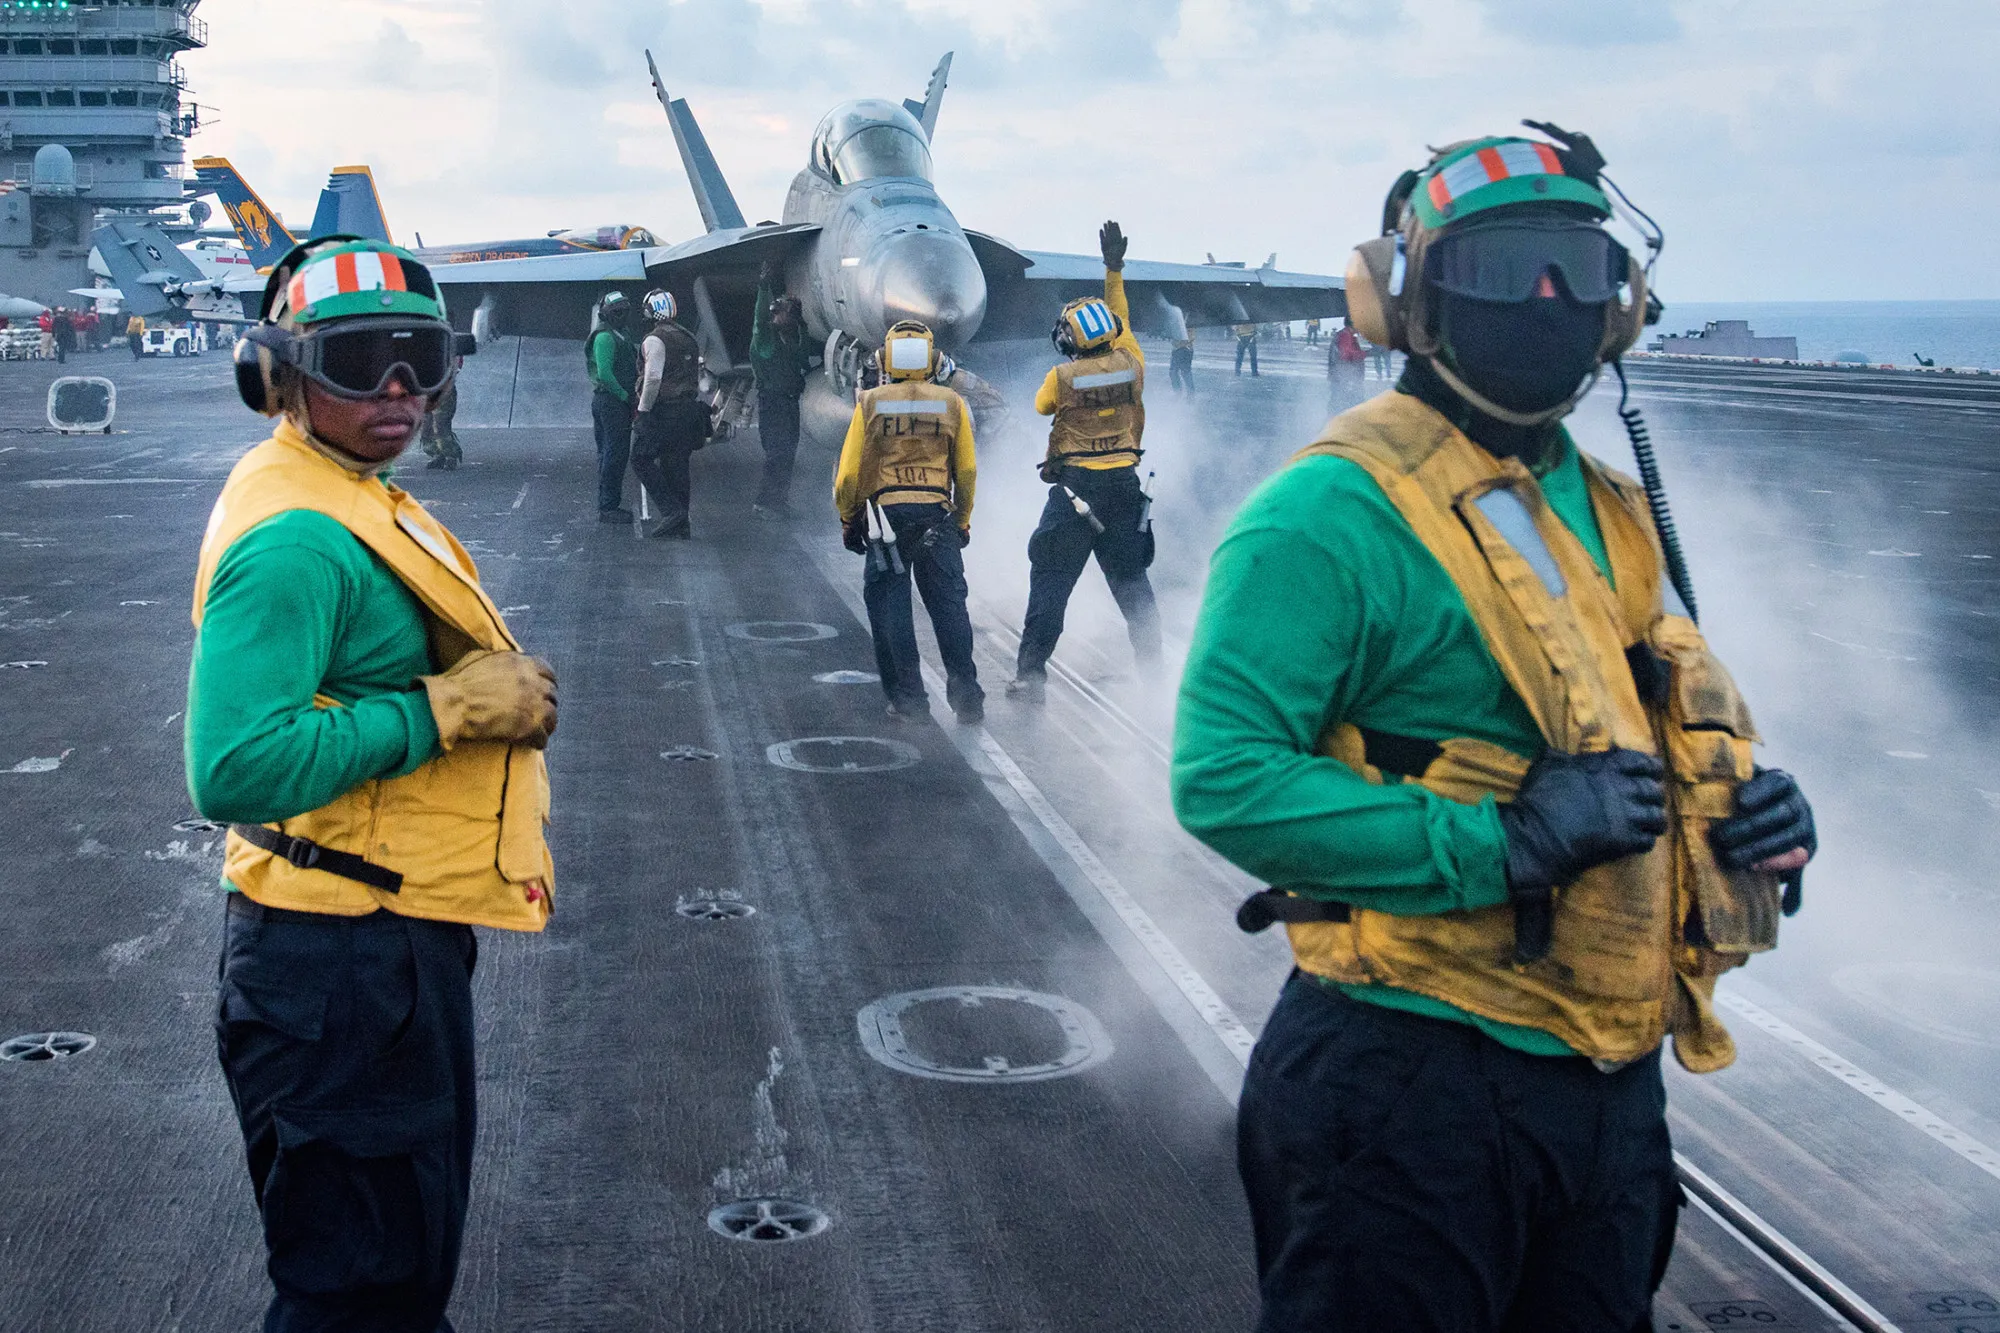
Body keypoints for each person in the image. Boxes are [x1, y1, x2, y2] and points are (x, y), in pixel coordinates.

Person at [1171, 126, 1819, 1331]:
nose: (1544, 301)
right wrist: (1499, 844)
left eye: (1576, 270)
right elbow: (1224, 780)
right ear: (1409, 300)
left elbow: (1657, 709)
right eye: (1500, 268)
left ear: (1621, 305)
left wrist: (1755, 820)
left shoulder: (1612, 507)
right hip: (1405, 1091)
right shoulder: (1322, 512)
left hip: (1606, 1094)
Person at [190, 236, 557, 1330]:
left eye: (422, 357)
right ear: (281, 375)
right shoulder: (298, 537)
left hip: (375, 944)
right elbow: (233, 763)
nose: (399, 391)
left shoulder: (347, 484)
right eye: (359, 363)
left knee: (396, 1275)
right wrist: (444, 710)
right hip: (335, 966)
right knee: (354, 1295)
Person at [1009, 220, 1161, 703]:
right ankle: (1155, 680)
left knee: (1052, 581)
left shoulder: (1062, 377)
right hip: (1124, 488)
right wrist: (1112, 270)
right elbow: (1123, 320)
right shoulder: (1132, 364)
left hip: (1075, 493)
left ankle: (1031, 675)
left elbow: (1039, 407)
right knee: (1133, 587)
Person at [833, 320, 983, 723]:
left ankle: (909, 700)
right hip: (938, 517)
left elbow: (849, 474)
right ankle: (967, 696)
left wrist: (849, 518)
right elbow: (966, 471)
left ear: (885, 358)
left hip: (886, 521)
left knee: (890, 610)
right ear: (933, 359)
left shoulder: (870, 402)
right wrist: (962, 521)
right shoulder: (952, 404)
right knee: (950, 608)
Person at [630, 287, 707, 540]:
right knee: (677, 465)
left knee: (640, 458)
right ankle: (681, 524)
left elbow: (652, 378)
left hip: (666, 411)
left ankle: (671, 511)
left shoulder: (655, 339)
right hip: (688, 411)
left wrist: (643, 411)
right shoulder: (688, 337)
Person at [749, 262, 815, 519]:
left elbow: (803, 348)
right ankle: (764, 503)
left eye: (783, 311)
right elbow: (759, 320)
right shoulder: (765, 340)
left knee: (788, 453)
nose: (778, 315)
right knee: (777, 453)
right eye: (777, 312)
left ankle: (779, 501)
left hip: (788, 403)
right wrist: (763, 286)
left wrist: (800, 320)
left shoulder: (794, 338)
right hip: (773, 404)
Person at [586, 290, 641, 521]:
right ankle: (608, 506)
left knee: (610, 453)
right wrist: (626, 396)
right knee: (615, 454)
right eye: (617, 312)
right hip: (611, 401)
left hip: (613, 401)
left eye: (625, 312)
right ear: (606, 314)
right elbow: (606, 375)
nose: (622, 316)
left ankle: (607, 502)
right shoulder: (605, 338)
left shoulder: (621, 334)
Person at [419, 366, 463, 470]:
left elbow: (457, 358)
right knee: (426, 426)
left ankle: (451, 456)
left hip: (443, 388)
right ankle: (437, 454)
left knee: (440, 425)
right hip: (425, 389)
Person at [1168, 326, 1196, 392]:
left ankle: (1190, 393)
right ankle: (1178, 392)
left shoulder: (1188, 322)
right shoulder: (1176, 322)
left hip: (1185, 349)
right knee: (1173, 372)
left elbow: (1191, 337)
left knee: (1185, 372)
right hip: (1176, 350)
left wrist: (1180, 343)